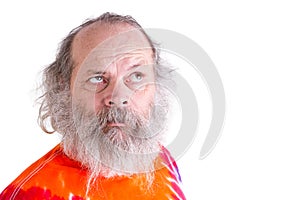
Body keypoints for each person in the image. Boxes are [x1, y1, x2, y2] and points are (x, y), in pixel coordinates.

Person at [0, 12, 186, 200]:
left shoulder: (158, 157)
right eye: (98, 78)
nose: (119, 97)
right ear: (64, 88)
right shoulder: (29, 195)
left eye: (136, 76)